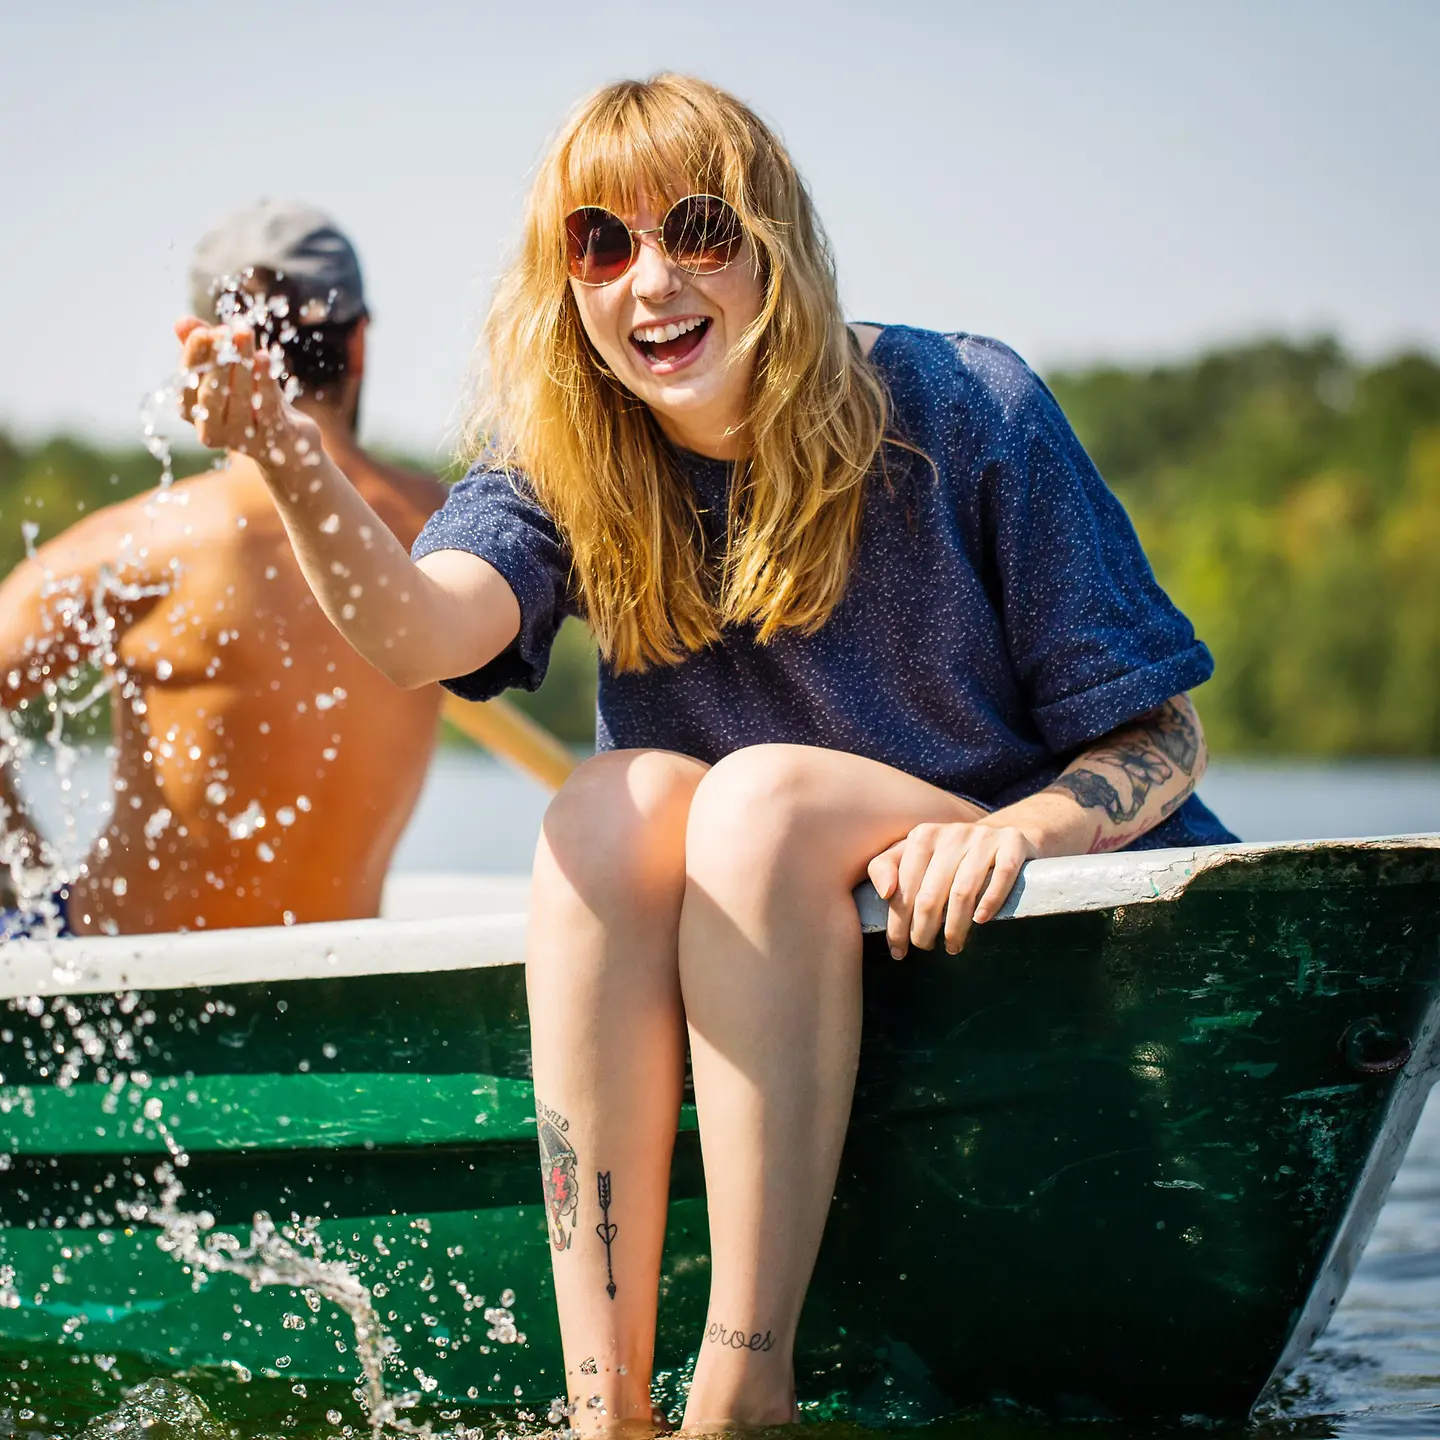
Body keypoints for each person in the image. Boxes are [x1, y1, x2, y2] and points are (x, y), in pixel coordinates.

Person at [171, 77, 1237, 1429]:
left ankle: (743, 1391)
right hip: (776, 924)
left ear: (773, 241)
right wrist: (280, 447)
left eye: (696, 228)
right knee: (605, 808)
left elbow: (1165, 729)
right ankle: (607, 1409)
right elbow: (418, 634)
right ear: (568, 283)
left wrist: (1022, 833)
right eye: (602, 245)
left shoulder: (966, 402)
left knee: (761, 801)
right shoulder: (562, 462)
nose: (651, 280)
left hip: (1011, 915)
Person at [0, 201, 446, 934]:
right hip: (332, 983)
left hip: (123, 980)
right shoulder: (451, 528)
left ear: (201, 355)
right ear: (358, 344)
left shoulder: (138, 544)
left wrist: (19, 863)